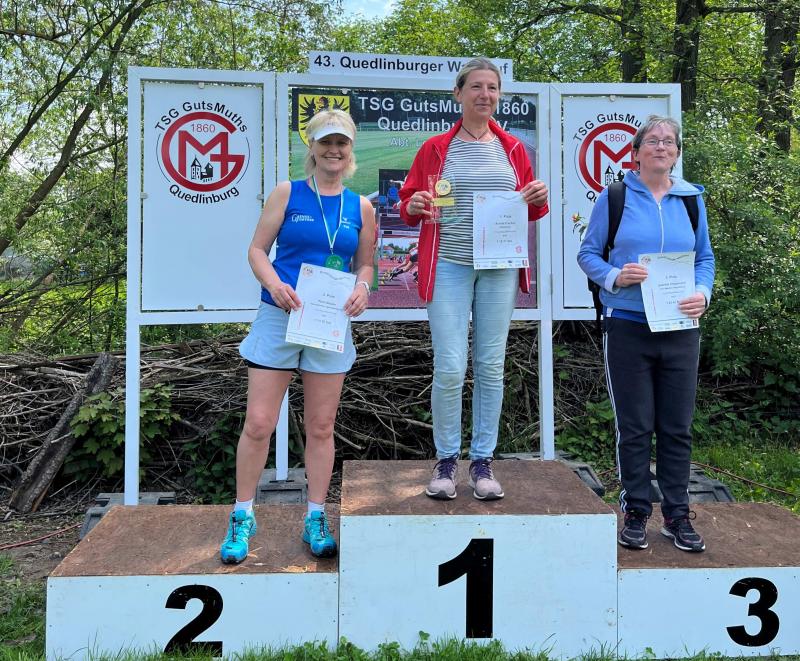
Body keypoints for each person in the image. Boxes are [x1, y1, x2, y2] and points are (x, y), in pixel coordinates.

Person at [220, 109, 375, 563]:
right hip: (280, 316)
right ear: (312, 147)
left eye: (341, 143)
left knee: (322, 426)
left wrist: (363, 288)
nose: (334, 150)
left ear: (350, 150)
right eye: (326, 142)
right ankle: (242, 515)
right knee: (259, 422)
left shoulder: (361, 207)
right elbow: (257, 250)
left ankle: (315, 516)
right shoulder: (287, 193)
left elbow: (365, 264)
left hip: (329, 322)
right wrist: (274, 285)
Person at [399, 57, 549, 501]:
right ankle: (446, 460)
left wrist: (537, 196)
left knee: (490, 365)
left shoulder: (514, 149)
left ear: (499, 96)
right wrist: (415, 204)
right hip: (449, 264)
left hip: (499, 268)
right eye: (477, 87)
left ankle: (482, 462)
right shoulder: (435, 148)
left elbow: (533, 210)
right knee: (449, 366)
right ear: (458, 94)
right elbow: (408, 204)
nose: (485, 94)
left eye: (493, 88)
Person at [577, 115, 715, 553]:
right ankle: (636, 511)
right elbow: (588, 254)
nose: (661, 146)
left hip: (680, 329)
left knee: (676, 428)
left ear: (677, 153)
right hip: (628, 326)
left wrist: (703, 293)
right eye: (652, 141)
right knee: (635, 427)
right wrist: (616, 276)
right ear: (635, 153)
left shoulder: (691, 200)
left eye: (669, 141)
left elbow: (705, 259)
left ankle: (677, 515)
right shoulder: (615, 197)